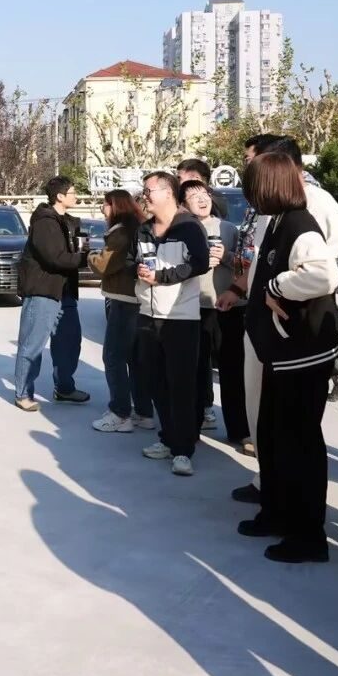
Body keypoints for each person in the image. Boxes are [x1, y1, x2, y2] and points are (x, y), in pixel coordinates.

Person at [218, 134, 338, 504]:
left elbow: (326, 267)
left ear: (276, 169)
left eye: (252, 162)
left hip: (294, 333)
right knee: (264, 412)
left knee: (293, 427)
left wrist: (281, 288)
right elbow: (264, 258)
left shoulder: (310, 208)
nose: (247, 170)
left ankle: (288, 501)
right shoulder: (273, 214)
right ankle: (271, 483)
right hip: (266, 325)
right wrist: (243, 288)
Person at [236, 152, 338, 564]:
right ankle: (277, 512)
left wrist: (276, 286)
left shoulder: (300, 224)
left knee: (300, 444)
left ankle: (308, 535)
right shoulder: (278, 222)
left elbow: (323, 275)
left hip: (301, 353)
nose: (248, 196)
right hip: (279, 353)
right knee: (273, 436)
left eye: (251, 187)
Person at [134, 170, 210, 476]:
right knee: (155, 381)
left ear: (168, 193)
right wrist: (137, 271)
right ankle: (167, 438)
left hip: (180, 317)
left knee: (181, 385)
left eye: (149, 191)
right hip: (148, 314)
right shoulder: (144, 229)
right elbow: (132, 260)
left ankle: (183, 449)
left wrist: (162, 277)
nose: (145, 196)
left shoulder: (188, 227)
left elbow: (200, 263)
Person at [12, 176, 89, 412]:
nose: (76, 196)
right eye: (73, 192)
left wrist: (83, 251)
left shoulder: (68, 222)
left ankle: (64, 388)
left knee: (69, 342)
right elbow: (54, 258)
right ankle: (23, 393)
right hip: (43, 291)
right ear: (60, 196)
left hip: (65, 292)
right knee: (32, 345)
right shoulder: (45, 223)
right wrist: (85, 258)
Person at [89, 189, 153, 432]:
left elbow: (104, 265)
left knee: (113, 356)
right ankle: (144, 412)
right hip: (138, 299)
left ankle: (120, 413)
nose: (103, 209)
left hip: (123, 300)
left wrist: (91, 256)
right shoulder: (139, 227)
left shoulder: (121, 232)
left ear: (115, 206)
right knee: (136, 360)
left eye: (105, 204)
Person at [179, 179, 237, 435]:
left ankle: (238, 426)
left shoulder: (228, 228)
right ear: (184, 204)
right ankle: (203, 411)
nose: (202, 199)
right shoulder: (183, 229)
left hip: (226, 305)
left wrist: (225, 256)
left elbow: (244, 266)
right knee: (197, 365)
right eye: (194, 196)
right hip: (194, 306)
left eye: (205, 193)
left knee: (230, 368)